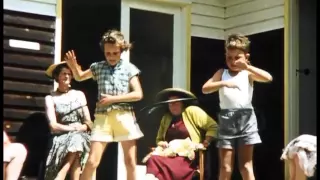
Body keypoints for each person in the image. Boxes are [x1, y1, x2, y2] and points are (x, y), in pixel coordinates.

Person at [64, 29, 144, 180]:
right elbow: (80, 77)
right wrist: (74, 66)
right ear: (104, 52)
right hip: (103, 118)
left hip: (124, 116)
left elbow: (138, 94)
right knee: (92, 161)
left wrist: (113, 99)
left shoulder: (129, 68)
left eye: (115, 53)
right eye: (108, 53)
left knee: (130, 161)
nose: (111, 57)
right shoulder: (98, 67)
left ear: (122, 50)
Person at [202, 33, 273, 180]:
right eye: (229, 57)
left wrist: (247, 67)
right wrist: (223, 83)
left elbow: (268, 78)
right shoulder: (222, 73)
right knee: (226, 167)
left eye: (237, 57)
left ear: (246, 56)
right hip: (226, 119)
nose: (233, 61)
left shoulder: (247, 73)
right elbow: (205, 88)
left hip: (246, 119)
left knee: (246, 166)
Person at [145, 88, 218, 180]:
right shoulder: (166, 118)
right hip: (169, 155)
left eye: (176, 102)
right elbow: (159, 140)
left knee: (160, 167)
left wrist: (206, 142)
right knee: (153, 159)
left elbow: (213, 126)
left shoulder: (192, 111)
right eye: (170, 103)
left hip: (188, 158)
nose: (172, 106)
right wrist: (162, 144)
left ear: (183, 103)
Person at [44, 62, 93, 180]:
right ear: (56, 77)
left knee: (78, 139)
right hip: (61, 136)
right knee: (77, 142)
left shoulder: (79, 95)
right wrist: (73, 129)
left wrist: (82, 127)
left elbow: (88, 122)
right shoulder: (50, 98)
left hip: (81, 134)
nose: (67, 76)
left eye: (69, 74)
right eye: (63, 74)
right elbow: (53, 126)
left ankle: (61, 174)